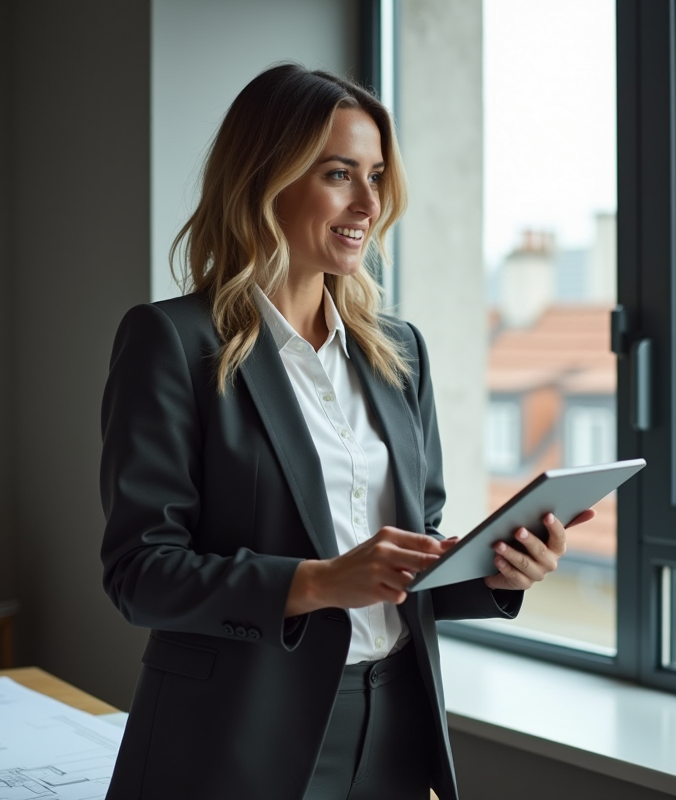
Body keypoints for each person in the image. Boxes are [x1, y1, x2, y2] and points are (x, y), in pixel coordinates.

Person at [98, 63, 595, 800]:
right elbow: (140, 574)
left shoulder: (399, 352)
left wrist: (492, 571)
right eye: (339, 174)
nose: (369, 202)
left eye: (377, 175)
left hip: (394, 727)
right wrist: (319, 582)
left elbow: (412, 557)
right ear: (266, 180)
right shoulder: (171, 341)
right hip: (235, 737)